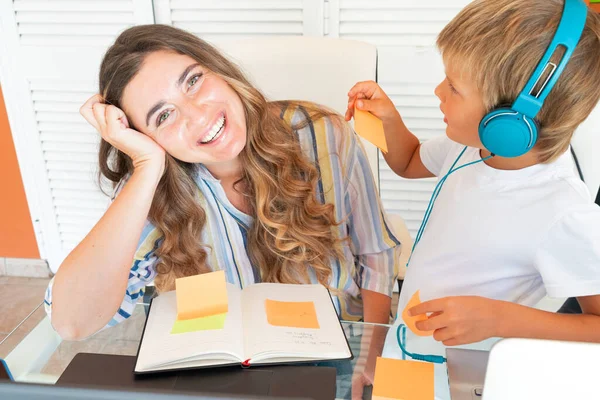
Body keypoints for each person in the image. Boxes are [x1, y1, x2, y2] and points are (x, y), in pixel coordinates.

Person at [44, 24, 400, 341]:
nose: (199, 115)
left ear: (217, 69)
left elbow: (375, 253)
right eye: (163, 115)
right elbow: (72, 323)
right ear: (144, 138)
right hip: (226, 364)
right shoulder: (150, 187)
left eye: (193, 81)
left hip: (335, 343)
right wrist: (148, 166)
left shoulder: (320, 133)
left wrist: (372, 356)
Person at [345, 0, 600, 398]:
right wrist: (390, 121)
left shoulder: (562, 210)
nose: (437, 91)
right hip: (412, 348)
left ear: (509, 122)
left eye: (454, 87)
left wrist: (501, 318)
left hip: (467, 378)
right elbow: (410, 161)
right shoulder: (470, 145)